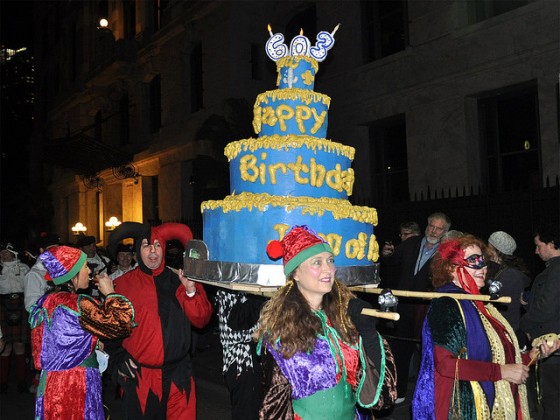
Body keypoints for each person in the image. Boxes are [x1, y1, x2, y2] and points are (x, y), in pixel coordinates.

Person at [412, 235, 560, 419]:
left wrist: (533, 354)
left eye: (483, 260)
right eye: (473, 260)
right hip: (463, 407)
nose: (482, 267)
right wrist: (502, 372)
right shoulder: (448, 304)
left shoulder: (483, 305)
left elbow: (497, 357)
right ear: (451, 268)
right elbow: (446, 365)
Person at [255, 225, 390, 419]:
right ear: (295, 274)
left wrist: (367, 332)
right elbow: (274, 405)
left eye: (330, 261)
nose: (328, 269)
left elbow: (377, 389)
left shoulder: (344, 319)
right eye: (316, 262)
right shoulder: (280, 331)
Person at [105, 222, 213, 419]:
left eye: (157, 245)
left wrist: (191, 291)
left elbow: (202, 320)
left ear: (163, 249)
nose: (152, 251)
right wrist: (118, 360)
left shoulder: (181, 280)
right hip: (141, 379)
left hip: (179, 378)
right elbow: (108, 333)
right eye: (146, 245)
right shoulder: (121, 285)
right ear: (138, 251)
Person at [29, 245, 135, 419]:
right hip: (76, 383)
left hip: (50, 382)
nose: (89, 270)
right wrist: (110, 293)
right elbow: (121, 324)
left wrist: (91, 342)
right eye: (84, 266)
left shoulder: (44, 302)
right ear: (73, 274)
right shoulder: (79, 304)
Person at [380, 211, 451, 402]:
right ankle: (400, 392)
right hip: (403, 305)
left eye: (439, 228)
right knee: (399, 349)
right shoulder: (412, 243)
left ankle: (431, 397)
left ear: (445, 231)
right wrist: (386, 255)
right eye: (431, 226)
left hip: (426, 308)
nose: (434, 231)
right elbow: (391, 262)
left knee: (429, 351)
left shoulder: (446, 252)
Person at [519, 223, 560, 419]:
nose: (536, 251)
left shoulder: (556, 271)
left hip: (552, 348)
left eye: (538, 245)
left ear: (551, 244)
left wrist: (525, 323)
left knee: (551, 404)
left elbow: (546, 307)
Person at [216, 290, 265, 420]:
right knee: (247, 412)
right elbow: (236, 321)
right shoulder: (232, 287)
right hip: (241, 361)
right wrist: (260, 297)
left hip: (249, 359)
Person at [23, 232, 61, 394]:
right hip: (45, 327)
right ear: (41, 250)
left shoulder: (61, 270)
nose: (55, 252)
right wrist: (52, 298)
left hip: (61, 327)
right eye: (50, 249)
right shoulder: (34, 274)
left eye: (57, 249)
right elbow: (30, 305)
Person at [486, 231, 531, 344]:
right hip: (500, 329)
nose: (486, 250)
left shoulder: (510, 275)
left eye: (488, 246)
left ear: (495, 251)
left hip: (504, 332)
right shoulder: (502, 272)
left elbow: (499, 304)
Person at [0, 244, 31, 393]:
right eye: (2, 253)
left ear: (13, 253)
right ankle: (3, 383)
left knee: (19, 345)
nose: (4, 255)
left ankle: (21, 382)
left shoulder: (24, 267)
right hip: (3, 306)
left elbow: (29, 287)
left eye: (7, 252)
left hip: (20, 304)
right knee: (4, 346)